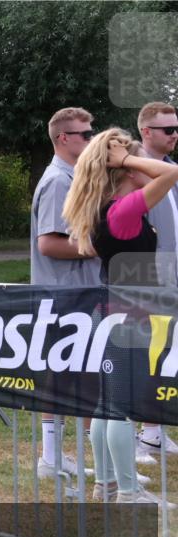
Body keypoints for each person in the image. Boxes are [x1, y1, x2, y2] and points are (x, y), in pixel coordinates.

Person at [62, 128, 178, 507]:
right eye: (137, 160)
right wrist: (126, 156)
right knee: (121, 406)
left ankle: (107, 485)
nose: (146, 164)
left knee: (107, 406)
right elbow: (170, 174)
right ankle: (128, 491)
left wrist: (124, 158)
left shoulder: (110, 209)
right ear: (124, 169)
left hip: (115, 312)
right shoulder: (123, 211)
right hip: (126, 318)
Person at [29, 107, 104, 481]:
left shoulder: (73, 176)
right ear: (63, 138)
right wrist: (100, 246)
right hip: (64, 294)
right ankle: (51, 457)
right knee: (61, 375)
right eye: (85, 134)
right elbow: (48, 244)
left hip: (78, 292)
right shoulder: (59, 180)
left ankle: (81, 458)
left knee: (83, 376)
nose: (91, 139)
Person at [134, 101, 178, 459]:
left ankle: (155, 430)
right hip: (144, 275)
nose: (175, 135)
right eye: (168, 129)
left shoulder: (173, 170)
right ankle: (140, 432)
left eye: (176, 129)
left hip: (172, 275)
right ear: (146, 131)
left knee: (166, 352)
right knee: (145, 351)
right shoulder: (134, 173)